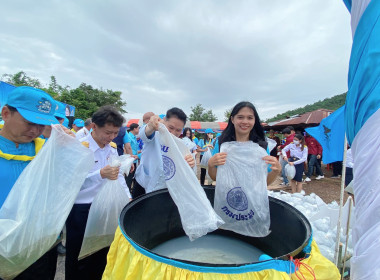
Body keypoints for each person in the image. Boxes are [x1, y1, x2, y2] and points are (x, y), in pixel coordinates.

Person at [65, 106, 132, 280]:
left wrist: (127, 197)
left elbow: (118, 176)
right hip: (82, 210)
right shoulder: (79, 148)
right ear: (94, 127)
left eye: (115, 133)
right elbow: (70, 183)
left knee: (103, 252)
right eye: (108, 133)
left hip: (105, 208)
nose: (111, 137)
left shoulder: (111, 147)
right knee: (79, 255)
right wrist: (100, 174)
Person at [0, 86, 60, 280]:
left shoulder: (48, 152)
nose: (35, 130)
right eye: (29, 122)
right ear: (6, 113)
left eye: (42, 125)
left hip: (37, 245)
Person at [208, 101, 281, 185]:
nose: (245, 122)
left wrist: (276, 171)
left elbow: (265, 182)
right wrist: (211, 165)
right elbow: (215, 177)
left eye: (250, 118)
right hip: (228, 196)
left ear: (254, 120)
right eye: (240, 117)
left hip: (253, 197)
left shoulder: (262, 146)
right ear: (232, 119)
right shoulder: (222, 143)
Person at [133, 108, 195, 197]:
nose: (173, 133)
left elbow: (184, 171)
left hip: (163, 189)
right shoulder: (154, 134)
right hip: (143, 184)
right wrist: (150, 126)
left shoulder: (180, 145)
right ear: (164, 121)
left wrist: (190, 163)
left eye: (178, 130)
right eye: (171, 127)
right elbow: (144, 134)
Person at [125, 123, 140, 189]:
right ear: (135, 128)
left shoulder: (134, 137)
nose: (139, 130)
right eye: (138, 128)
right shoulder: (128, 137)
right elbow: (125, 148)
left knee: (133, 178)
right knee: (128, 179)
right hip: (130, 161)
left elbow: (134, 149)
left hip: (134, 160)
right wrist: (128, 160)